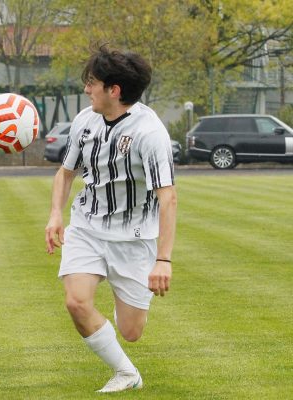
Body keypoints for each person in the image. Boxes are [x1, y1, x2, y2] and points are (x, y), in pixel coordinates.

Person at [44, 45, 177, 393]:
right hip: (88, 225)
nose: (87, 89)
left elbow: (168, 198)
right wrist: (56, 214)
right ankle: (126, 372)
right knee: (75, 301)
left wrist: (163, 260)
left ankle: (125, 305)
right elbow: (65, 172)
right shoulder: (85, 121)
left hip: (134, 237)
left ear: (113, 90)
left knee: (131, 331)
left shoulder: (150, 134)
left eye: (93, 83)